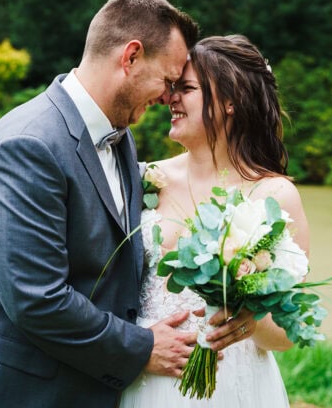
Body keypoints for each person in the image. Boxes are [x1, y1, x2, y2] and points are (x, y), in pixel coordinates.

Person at [0, 0, 253, 408]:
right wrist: (142, 347)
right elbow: (37, 300)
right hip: (17, 390)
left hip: (83, 385)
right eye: (168, 80)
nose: (169, 96)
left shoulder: (122, 140)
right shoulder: (27, 146)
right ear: (130, 57)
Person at [119, 34, 310, 407]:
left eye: (186, 89)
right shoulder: (143, 177)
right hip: (151, 379)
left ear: (230, 102)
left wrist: (252, 322)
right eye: (172, 88)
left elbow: (288, 333)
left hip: (235, 386)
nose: (169, 98)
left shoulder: (274, 196)